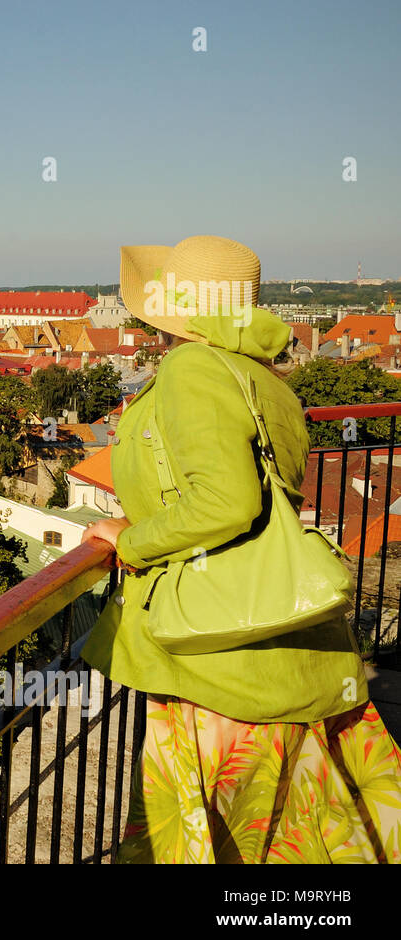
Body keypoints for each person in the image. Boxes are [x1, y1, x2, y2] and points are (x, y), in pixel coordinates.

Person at [80, 235, 401, 863]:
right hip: (275, 632)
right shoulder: (263, 378)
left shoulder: (192, 368)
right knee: (297, 829)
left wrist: (132, 538)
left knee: (212, 833)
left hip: (216, 647)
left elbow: (226, 502)